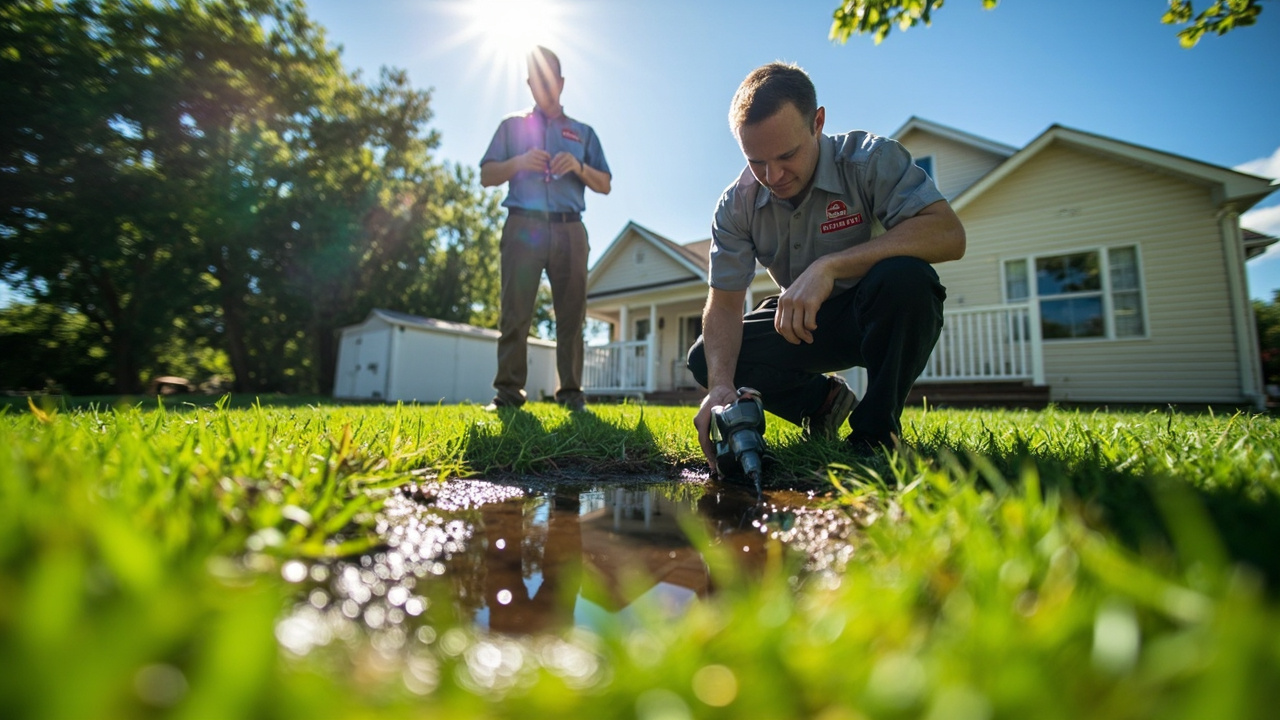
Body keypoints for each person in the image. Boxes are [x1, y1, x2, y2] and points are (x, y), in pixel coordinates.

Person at [688, 61, 966, 473]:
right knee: (707, 359)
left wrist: (830, 266)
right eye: (756, 161)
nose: (773, 175)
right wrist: (721, 386)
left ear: (817, 122)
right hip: (802, 324)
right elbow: (725, 305)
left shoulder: (870, 160)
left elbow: (948, 234)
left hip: (878, 311)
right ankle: (824, 404)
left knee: (909, 280)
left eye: (786, 155)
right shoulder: (736, 205)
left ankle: (875, 433)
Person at [480, 46, 611, 412]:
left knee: (571, 316)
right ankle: (507, 394)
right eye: (537, 80)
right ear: (528, 83)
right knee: (515, 311)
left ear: (562, 82)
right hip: (523, 225)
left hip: (570, 230)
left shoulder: (583, 132)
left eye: (550, 79)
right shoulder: (512, 126)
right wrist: (519, 162)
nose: (544, 86)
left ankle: (571, 394)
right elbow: (486, 174)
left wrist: (579, 167)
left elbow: (605, 184)